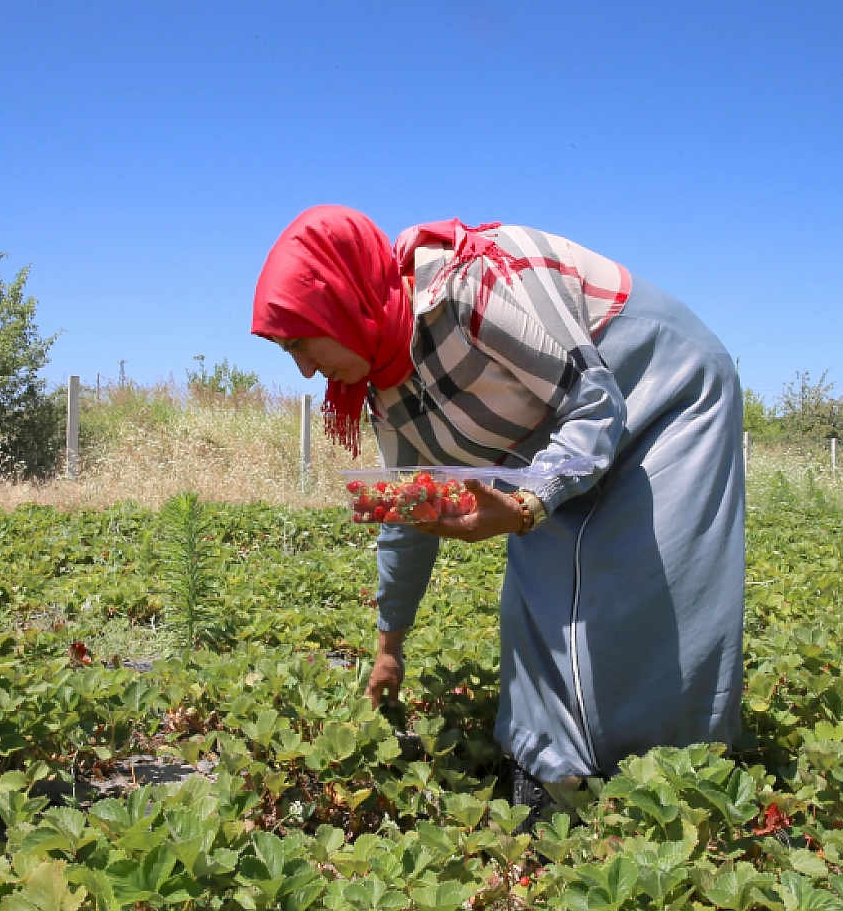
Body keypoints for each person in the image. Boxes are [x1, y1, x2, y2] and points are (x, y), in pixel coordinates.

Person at [251, 205, 745, 811]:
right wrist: (389, 647)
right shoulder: (384, 388)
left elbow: (592, 404)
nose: (304, 370)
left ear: (343, 302)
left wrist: (525, 505)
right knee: (536, 594)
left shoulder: (472, 284)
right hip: (566, 434)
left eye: (302, 341)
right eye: (287, 353)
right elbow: (412, 516)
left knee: (642, 582)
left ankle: (674, 788)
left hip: (664, 390)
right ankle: (555, 781)